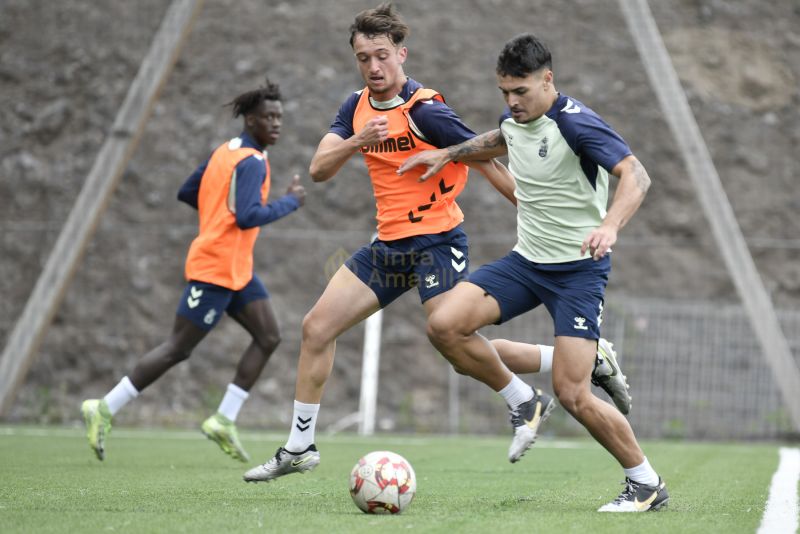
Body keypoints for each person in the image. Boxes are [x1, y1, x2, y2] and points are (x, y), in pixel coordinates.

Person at [242, 3, 628, 484]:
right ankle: (300, 446)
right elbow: (320, 169)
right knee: (316, 328)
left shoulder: (426, 109)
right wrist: (358, 140)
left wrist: (533, 212)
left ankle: (529, 395)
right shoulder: (355, 108)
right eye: (363, 58)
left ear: (401, 54)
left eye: (382, 56)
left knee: (453, 338)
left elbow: (485, 159)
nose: (374, 67)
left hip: (438, 243)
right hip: (388, 246)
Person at [398, 34, 668, 512]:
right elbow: (499, 139)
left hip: (578, 272)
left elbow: (636, 175)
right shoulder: (514, 120)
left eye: (520, 91)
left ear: (548, 80)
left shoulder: (576, 123)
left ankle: (645, 483)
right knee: (446, 328)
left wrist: (609, 225)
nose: (511, 101)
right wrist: (449, 154)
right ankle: (527, 397)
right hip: (526, 263)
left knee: (573, 393)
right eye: (505, 91)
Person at [81, 80, 306, 463]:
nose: (276, 123)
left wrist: (217, 215)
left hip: (237, 269)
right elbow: (248, 215)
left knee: (269, 336)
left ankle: (223, 419)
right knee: (178, 348)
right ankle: (103, 407)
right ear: (250, 120)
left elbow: (188, 191)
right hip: (215, 269)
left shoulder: (226, 152)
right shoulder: (251, 161)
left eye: (279, 117)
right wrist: (290, 202)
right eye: (268, 117)